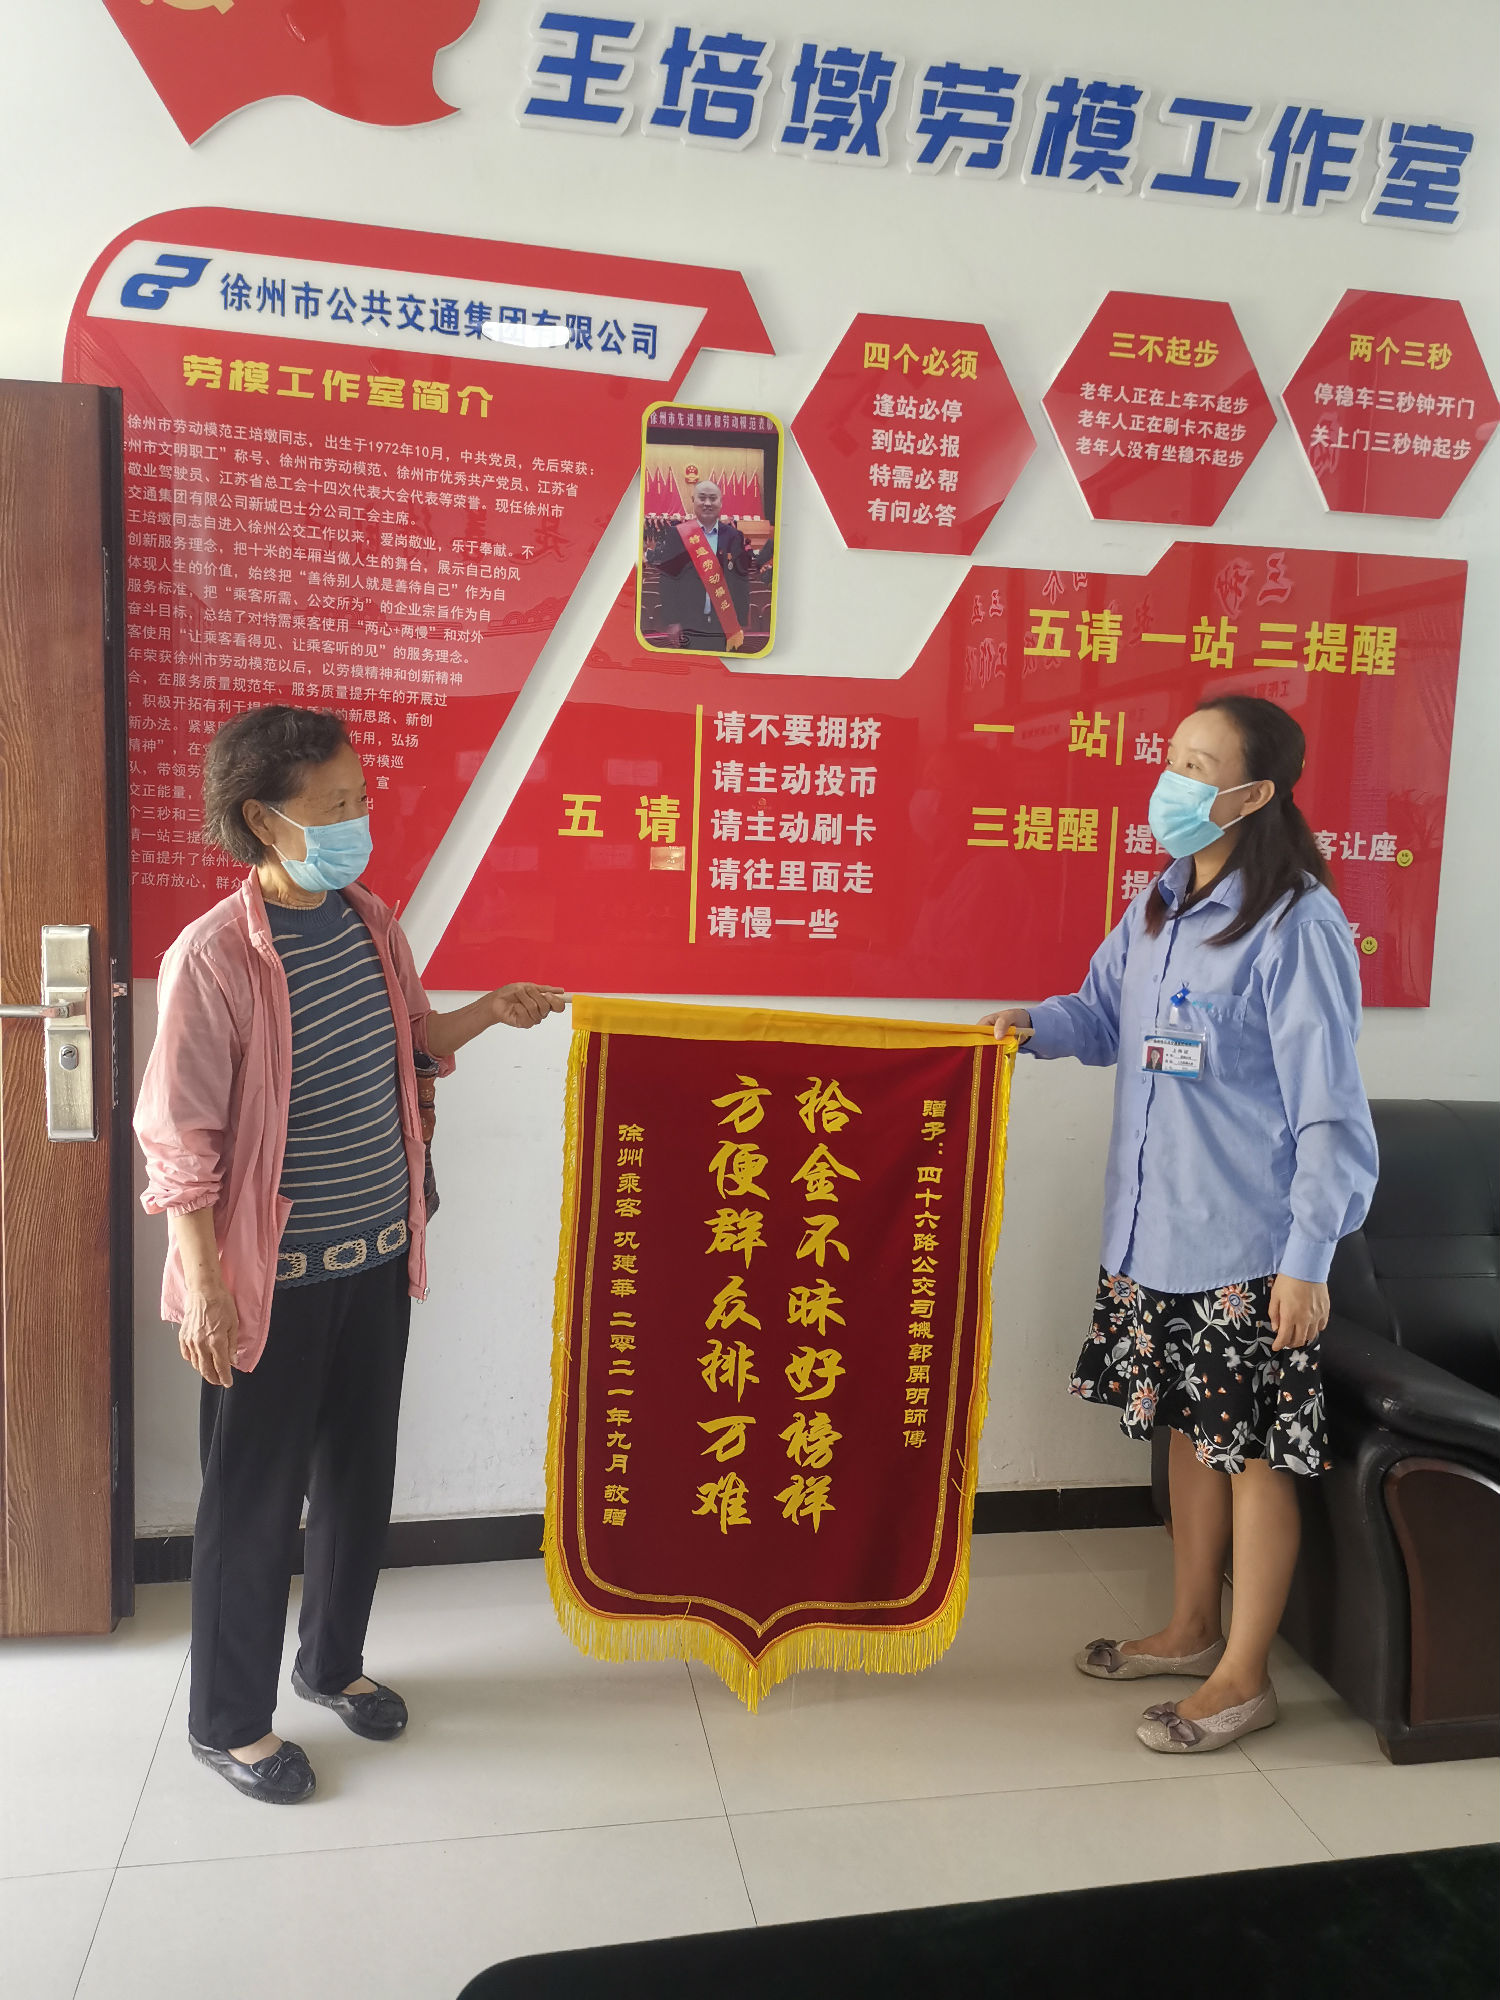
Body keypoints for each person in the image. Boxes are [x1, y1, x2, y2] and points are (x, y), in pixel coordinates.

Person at [135, 706, 565, 1804]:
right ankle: (230, 1723)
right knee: (252, 1503)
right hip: (266, 1284)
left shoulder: (371, 921)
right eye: (334, 807)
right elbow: (179, 1145)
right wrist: (208, 1290)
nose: (357, 821)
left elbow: (411, 1039)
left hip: (376, 1258)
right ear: (263, 820)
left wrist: (488, 1013)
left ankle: (331, 1665)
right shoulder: (213, 958)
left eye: (360, 800)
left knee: (357, 1479)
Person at [982, 695, 1376, 1755]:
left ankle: (1246, 1678)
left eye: (1198, 766)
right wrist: (1032, 1026)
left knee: (1253, 1457)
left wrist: (1307, 1261)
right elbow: (1102, 1014)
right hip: (1151, 1233)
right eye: (1172, 758)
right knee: (1193, 1437)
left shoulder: (1296, 923)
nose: (1172, 781)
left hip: (1248, 1244)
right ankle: (1192, 1627)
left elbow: (1332, 1113)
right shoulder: (1157, 903)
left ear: (1252, 794)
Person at [647, 479, 764, 651]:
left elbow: (741, 580)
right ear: (693, 501)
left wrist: (740, 621)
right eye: (702, 498)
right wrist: (672, 621)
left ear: (721, 502)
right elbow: (668, 578)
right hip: (687, 623)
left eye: (713, 498)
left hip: (723, 624)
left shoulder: (734, 536)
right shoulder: (677, 534)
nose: (707, 503)